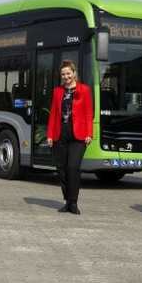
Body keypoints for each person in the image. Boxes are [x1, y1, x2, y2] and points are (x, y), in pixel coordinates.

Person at [46, 60, 93, 215]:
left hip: (78, 135)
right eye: (63, 74)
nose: (66, 76)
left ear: (74, 73)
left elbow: (88, 113)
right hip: (61, 134)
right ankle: (67, 201)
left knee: (73, 168)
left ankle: (73, 203)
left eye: (68, 73)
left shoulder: (84, 90)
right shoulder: (57, 91)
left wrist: (89, 133)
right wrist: (50, 135)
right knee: (62, 169)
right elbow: (53, 114)